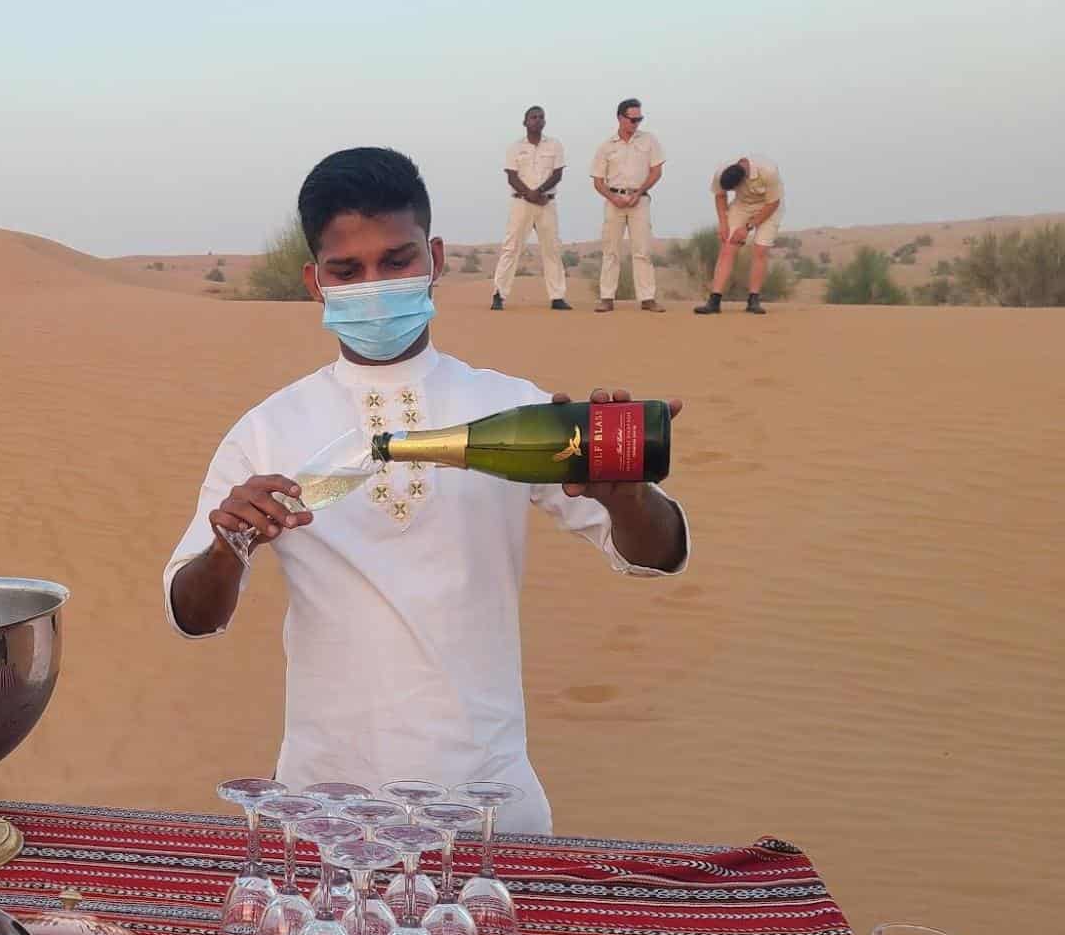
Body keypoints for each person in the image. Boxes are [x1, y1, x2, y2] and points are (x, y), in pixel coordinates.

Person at [162, 147, 690, 833]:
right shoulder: (267, 428)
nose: (374, 284)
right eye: (346, 271)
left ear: (434, 258)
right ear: (313, 280)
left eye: (397, 260)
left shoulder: (509, 405)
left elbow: (657, 553)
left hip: (485, 802)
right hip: (325, 806)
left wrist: (624, 495)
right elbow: (191, 613)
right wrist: (228, 543)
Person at [589, 98, 666, 313]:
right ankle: (607, 297)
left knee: (642, 250)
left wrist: (639, 192)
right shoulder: (606, 146)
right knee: (610, 250)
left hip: (639, 200)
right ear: (620, 118)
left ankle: (647, 298)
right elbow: (597, 180)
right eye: (632, 119)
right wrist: (612, 198)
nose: (636, 123)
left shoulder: (649, 141)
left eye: (639, 119)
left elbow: (656, 171)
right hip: (614, 201)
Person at [490, 106, 570, 311]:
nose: (538, 120)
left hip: (547, 203)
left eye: (541, 117)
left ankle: (557, 296)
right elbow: (511, 176)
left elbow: (557, 174)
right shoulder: (515, 148)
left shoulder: (554, 145)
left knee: (551, 249)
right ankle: (499, 294)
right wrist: (530, 194)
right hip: (522, 203)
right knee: (511, 248)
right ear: (525, 122)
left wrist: (540, 191)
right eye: (533, 117)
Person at [695, 157, 786, 315]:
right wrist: (723, 223)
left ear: (743, 180)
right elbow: (720, 196)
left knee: (760, 249)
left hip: (768, 207)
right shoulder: (721, 172)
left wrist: (748, 227)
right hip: (741, 206)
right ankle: (714, 301)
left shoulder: (768, 172)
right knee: (727, 246)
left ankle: (753, 300)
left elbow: (773, 203)